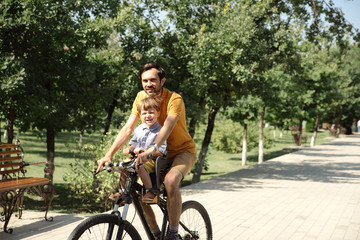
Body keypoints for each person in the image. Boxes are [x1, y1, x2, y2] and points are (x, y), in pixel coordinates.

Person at [97, 63, 196, 240]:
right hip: (154, 154)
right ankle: (156, 233)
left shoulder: (175, 99)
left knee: (171, 180)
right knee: (131, 180)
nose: (148, 84)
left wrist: (153, 148)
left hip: (181, 151)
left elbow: (168, 125)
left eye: (153, 80)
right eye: (145, 80)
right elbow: (128, 128)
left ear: (162, 81)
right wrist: (108, 154)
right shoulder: (141, 97)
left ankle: (172, 233)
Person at [122, 96, 167, 203]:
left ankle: (150, 191)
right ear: (140, 115)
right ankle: (123, 190)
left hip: (152, 160)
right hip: (137, 158)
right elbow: (133, 144)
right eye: (144, 113)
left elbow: (161, 151)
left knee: (139, 166)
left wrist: (146, 152)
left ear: (158, 113)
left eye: (151, 112)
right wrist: (129, 149)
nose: (148, 116)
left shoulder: (161, 131)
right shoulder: (138, 129)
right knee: (122, 166)